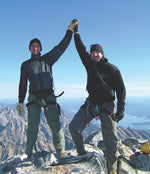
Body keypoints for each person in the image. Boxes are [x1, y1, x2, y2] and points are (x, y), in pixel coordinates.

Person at [69, 21, 126, 174]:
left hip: (107, 106)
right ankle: (82, 154)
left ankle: (112, 167)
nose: (94, 54)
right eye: (93, 52)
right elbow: (80, 49)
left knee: (111, 139)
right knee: (74, 127)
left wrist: (120, 110)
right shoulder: (89, 64)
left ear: (102, 53)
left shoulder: (113, 69)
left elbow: (121, 91)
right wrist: (76, 33)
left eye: (97, 52)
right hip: (92, 104)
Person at [17, 19, 78, 159]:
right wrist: (20, 101)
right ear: (29, 48)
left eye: (37, 46)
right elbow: (22, 84)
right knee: (32, 127)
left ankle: (61, 151)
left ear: (41, 48)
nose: (35, 48)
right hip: (33, 98)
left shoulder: (48, 59)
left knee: (55, 125)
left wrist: (69, 31)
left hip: (49, 97)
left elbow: (61, 47)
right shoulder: (25, 65)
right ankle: (30, 153)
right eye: (32, 46)